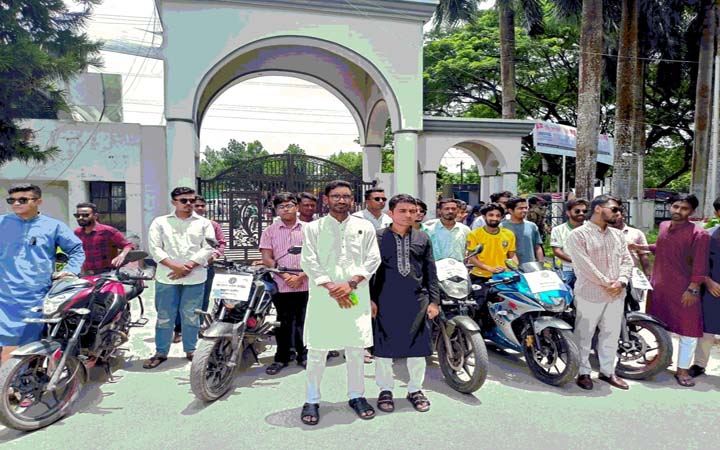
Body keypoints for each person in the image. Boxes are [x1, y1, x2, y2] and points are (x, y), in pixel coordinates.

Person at [299, 180, 381, 426]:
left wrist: (351, 284)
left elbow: (373, 259)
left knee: (355, 349)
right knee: (317, 351)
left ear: (352, 199)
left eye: (346, 196)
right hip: (325, 296)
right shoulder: (313, 228)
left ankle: (356, 395)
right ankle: (312, 399)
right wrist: (331, 286)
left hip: (355, 294)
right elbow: (309, 260)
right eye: (336, 196)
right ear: (326, 199)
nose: (342, 200)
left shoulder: (364, 227)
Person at [629, 194, 710, 387]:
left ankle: (682, 370)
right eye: (675, 206)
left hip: (685, 289)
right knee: (660, 326)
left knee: (688, 331)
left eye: (684, 208)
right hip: (660, 287)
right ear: (670, 206)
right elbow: (664, 247)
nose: (678, 211)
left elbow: (700, 265)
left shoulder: (699, 234)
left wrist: (693, 289)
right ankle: (662, 358)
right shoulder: (664, 226)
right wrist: (642, 247)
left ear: (692, 211)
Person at [370, 194, 439, 413]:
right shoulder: (377, 238)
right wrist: (369, 300)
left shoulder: (423, 238)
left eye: (412, 211)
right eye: (403, 211)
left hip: (417, 301)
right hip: (384, 301)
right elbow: (369, 272)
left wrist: (434, 301)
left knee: (417, 350)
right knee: (383, 350)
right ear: (390, 213)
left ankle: (415, 389)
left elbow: (430, 271)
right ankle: (385, 390)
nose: (408, 215)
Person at [1, 184, 85, 364]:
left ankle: (17, 384)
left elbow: (77, 249)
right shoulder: (2, 223)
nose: (16, 204)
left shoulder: (53, 226)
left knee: (25, 344)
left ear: (39, 201)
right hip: (3, 295)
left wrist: (70, 271)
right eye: (11, 201)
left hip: (34, 296)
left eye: (22, 200)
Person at [566, 195, 634, 391]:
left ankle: (607, 371)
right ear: (598, 209)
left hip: (616, 294)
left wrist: (621, 281)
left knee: (611, 334)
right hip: (590, 293)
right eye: (614, 209)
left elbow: (627, 261)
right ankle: (583, 372)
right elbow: (584, 266)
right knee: (584, 334)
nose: (618, 213)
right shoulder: (578, 235)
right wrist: (607, 283)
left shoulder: (618, 235)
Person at [144, 187, 215, 369]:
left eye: (191, 200)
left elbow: (208, 248)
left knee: (191, 316)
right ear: (174, 202)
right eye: (184, 200)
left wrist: (188, 266)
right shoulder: (160, 222)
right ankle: (161, 352)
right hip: (167, 277)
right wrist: (176, 267)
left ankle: (191, 350)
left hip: (195, 276)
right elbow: (155, 249)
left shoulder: (204, 223)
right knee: (165, 316)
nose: (189, 204)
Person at [259, 193, 309, 374]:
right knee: (284, 321)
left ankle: (304, 354)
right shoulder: (270, 231)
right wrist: (286, 276)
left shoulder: (310, 229)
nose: (286, 209)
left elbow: (317, 257)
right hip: (281, 283)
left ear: (297, 207)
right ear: (276, 210)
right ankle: (282, 357)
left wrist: (301, 275)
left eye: (289, 205)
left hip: (306, 283)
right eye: (281, 207)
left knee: (304, 320)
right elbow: (266, 257)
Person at [173, 195, 227, 344]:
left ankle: (198, 327)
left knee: (203, 298)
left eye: (202, 205)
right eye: (197, 206)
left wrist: (214, 256)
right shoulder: (179, 224)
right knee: (181, 299)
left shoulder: (212, 225)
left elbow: (221, 243)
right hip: (182, 269)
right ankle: (178, 329)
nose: (200, 208)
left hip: (205, 267)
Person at [689, 196, 720, 378]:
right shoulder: (708, 236)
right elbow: (699, 264)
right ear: (717, 213)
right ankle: (699, 365)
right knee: (707, 331)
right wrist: (708, 281)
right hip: (712, 290)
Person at [73, 202, 134, 277]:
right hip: (85, 274)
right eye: (77, 215)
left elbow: (128, 245)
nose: (80, 218)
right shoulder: (77, 233)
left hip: (107, 274)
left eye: (85, 215)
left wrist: (121, 256)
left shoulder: (108, 231)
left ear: (95, 216)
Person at [466, 203, 518, 287]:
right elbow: (472, 258)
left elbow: (512, 256)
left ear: (501, 218)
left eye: (498, 216)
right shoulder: (474, 234)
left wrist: (509, 268)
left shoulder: (509, 234)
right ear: (484, 217)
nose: (495, 218)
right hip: (480, 276)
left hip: (503, 276)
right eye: (491, 215)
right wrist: (489, 268)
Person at [550, 198, 588, 287]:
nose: (581, 213)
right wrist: (576, 260)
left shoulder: (591, 229)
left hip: (586, 271)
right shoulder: (558, 230)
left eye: (584, 211)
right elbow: (557, 251)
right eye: (577, 211)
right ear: (568, 212)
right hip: (566, 270)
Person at [502, 197, 544, 265]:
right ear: (510, 210)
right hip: (509, 270)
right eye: (520, 208)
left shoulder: (532, 226)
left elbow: (538, 247)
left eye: (526, 208)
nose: (524, 210)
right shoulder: (502, 227)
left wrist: (541, 264)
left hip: (530, 268)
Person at [610, 206, 651, 276]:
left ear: (623, 216)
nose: (614, 219)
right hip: (610, 275)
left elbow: (643, 255)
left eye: (616, 216)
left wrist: (647, 274)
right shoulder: (603, 234)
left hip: (632, 274)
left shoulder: (636, 233)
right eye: (611, 216)